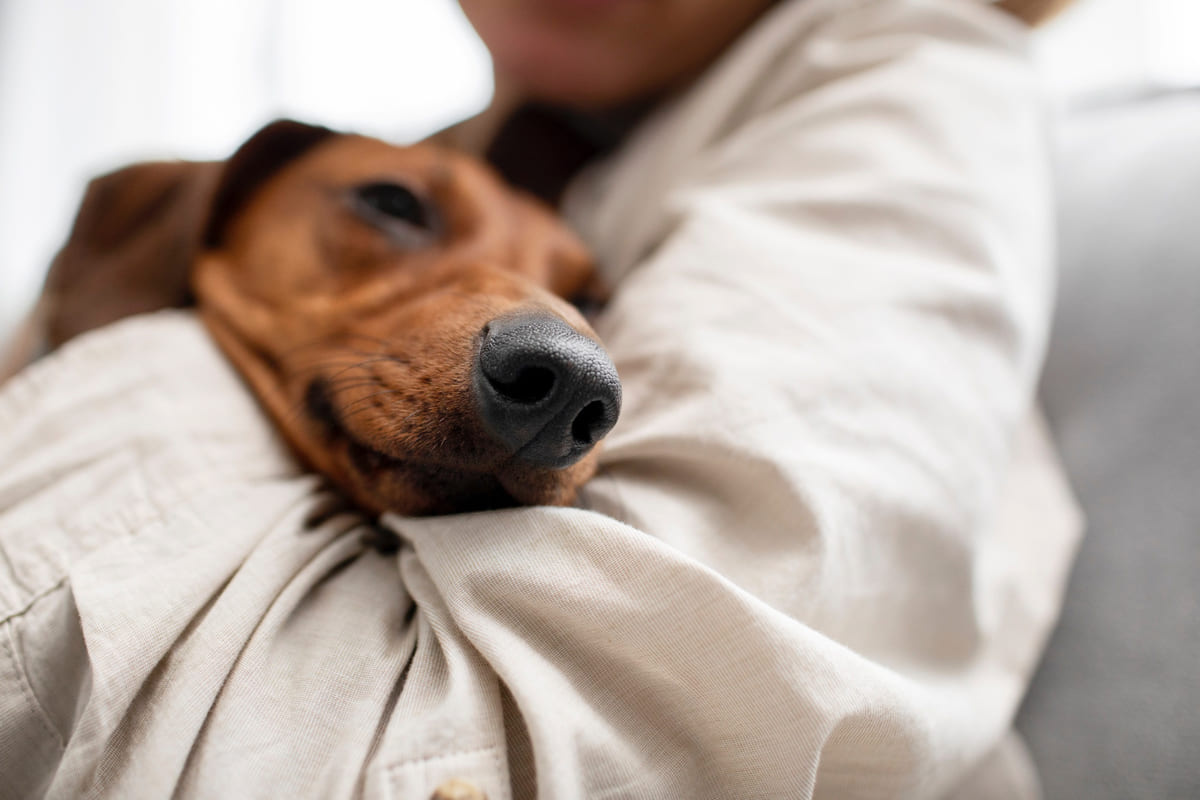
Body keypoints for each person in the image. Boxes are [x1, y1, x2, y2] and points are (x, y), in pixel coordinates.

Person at [0, 0, 1079, 798]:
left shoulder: (899, 88)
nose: (562, 357)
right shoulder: (480, 145)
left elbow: (390, 760)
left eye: (589, 302)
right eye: (394, 211)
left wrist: (160, 342)